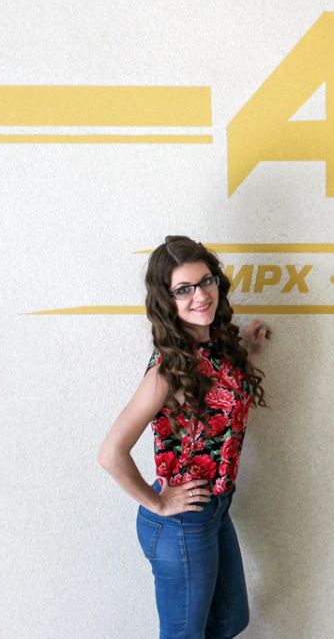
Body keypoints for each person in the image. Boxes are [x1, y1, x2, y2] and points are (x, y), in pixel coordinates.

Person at [98, 235, 271, 639]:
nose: (200, 295)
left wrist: (247, 349)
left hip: (216, 509)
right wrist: (158, 501)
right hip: (180, 523)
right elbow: (110, 453)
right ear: (167, 300)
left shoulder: (216, 345)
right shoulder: (166, 371)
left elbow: (219, 399)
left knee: (231, 620)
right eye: (184, 289)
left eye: (206, 281)